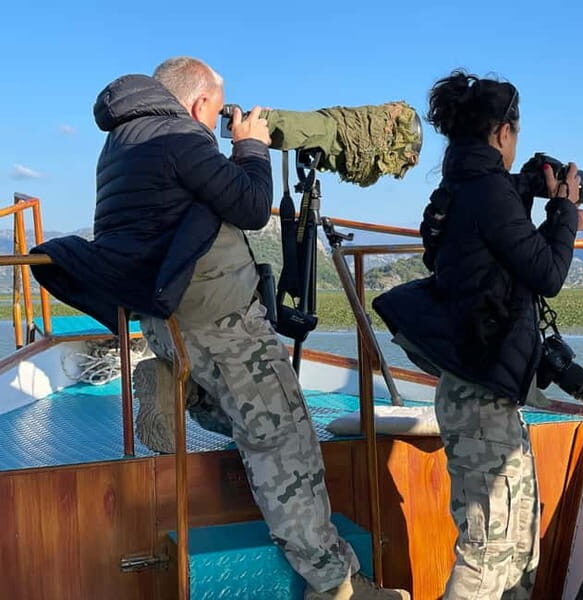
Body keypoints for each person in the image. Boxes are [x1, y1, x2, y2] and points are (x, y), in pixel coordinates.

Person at [31, 56, 408, 600]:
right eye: (216, 108)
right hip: (221, 323)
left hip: (169, 322)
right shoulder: (181, 140)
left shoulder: (122, 144)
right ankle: (336, 585)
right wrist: (251, 146)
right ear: (199, 103)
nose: (217, 121)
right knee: (286, 443)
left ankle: (172, 385)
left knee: (236, 407)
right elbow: (253, 206)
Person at [380, 71, 583, 599]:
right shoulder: (486, 192)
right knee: (487, 549)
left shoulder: (461, 187)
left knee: (520, 542)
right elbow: (546, 273)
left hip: (483, 389)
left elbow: (507, 255)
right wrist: (565, 210)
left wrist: (535, 196)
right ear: (503, 133)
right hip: (480, 395)